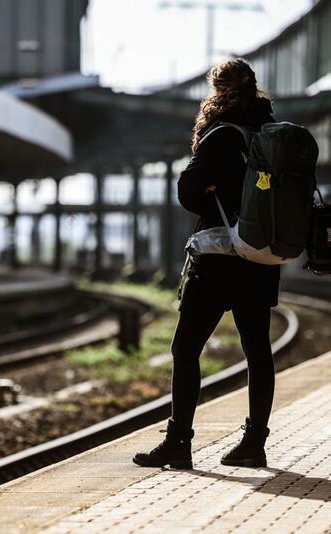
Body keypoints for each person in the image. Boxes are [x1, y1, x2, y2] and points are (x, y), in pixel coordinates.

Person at [133, 59, 280, 469]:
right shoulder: (269, 134)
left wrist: (212, 189)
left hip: (217, 258)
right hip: (260, 255)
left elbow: (189, 191)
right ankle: (254, 443)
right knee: (257, 350)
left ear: (218, 91)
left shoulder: (220, 135)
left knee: (185, 347)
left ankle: (179, 442)